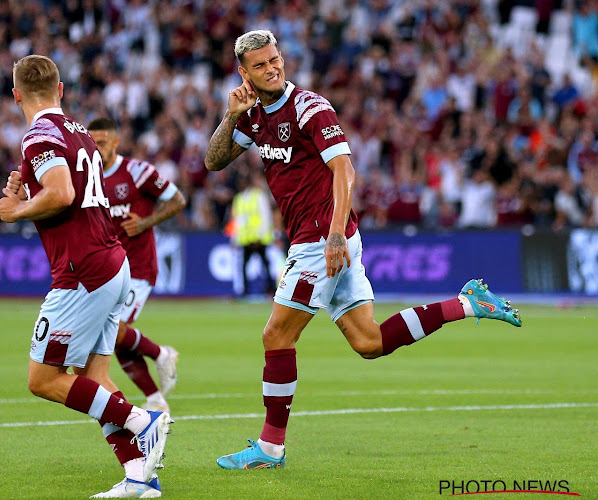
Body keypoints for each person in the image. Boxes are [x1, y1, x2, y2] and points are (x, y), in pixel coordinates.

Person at [204, 30, 522, 470]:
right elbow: (213, 161)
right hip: (323, 237)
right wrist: (230, 115)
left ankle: (270, 448)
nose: (272, 68)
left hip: (322, 239)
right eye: (260, 65)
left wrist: (334, 233)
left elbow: (344, 169)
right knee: (369, 341)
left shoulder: (310, 107)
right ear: (244, 72)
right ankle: (467, 304)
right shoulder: (252, 115)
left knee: (277, 335)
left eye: (275, 59)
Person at [0, 55, 170, 498]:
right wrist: (28, 194)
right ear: (60, 90)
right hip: (112, 262)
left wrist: (17, 209)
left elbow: (62, 193)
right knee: (95, 377)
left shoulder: (39, 136)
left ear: (16, 95)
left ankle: (142, 420)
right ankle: (139, 477)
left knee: (44, 379)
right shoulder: (79, 133)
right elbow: (68, 192)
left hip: (82, 273)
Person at [87, 117, 186, 413]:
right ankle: (155, 398)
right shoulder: (87, 178)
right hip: (106, 270)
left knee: (114, 329)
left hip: (137, 267)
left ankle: (161, 354)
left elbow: (178, 200)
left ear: (116, 143)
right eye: (92, 144)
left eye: (102, 143)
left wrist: (145, 222)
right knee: (113, 338)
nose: (96, 149)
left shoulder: (137, 171)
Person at [231, 171, 277, 297]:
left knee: (265, 264)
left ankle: (271, 288)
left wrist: (259, 237)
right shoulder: (238, 198)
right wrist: (235, 238)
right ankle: (244, 290)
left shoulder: (258, 196)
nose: (242, 184)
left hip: (259, 239)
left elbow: (265, 217)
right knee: (244, 266)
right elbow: (237, 220)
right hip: (246, 239)